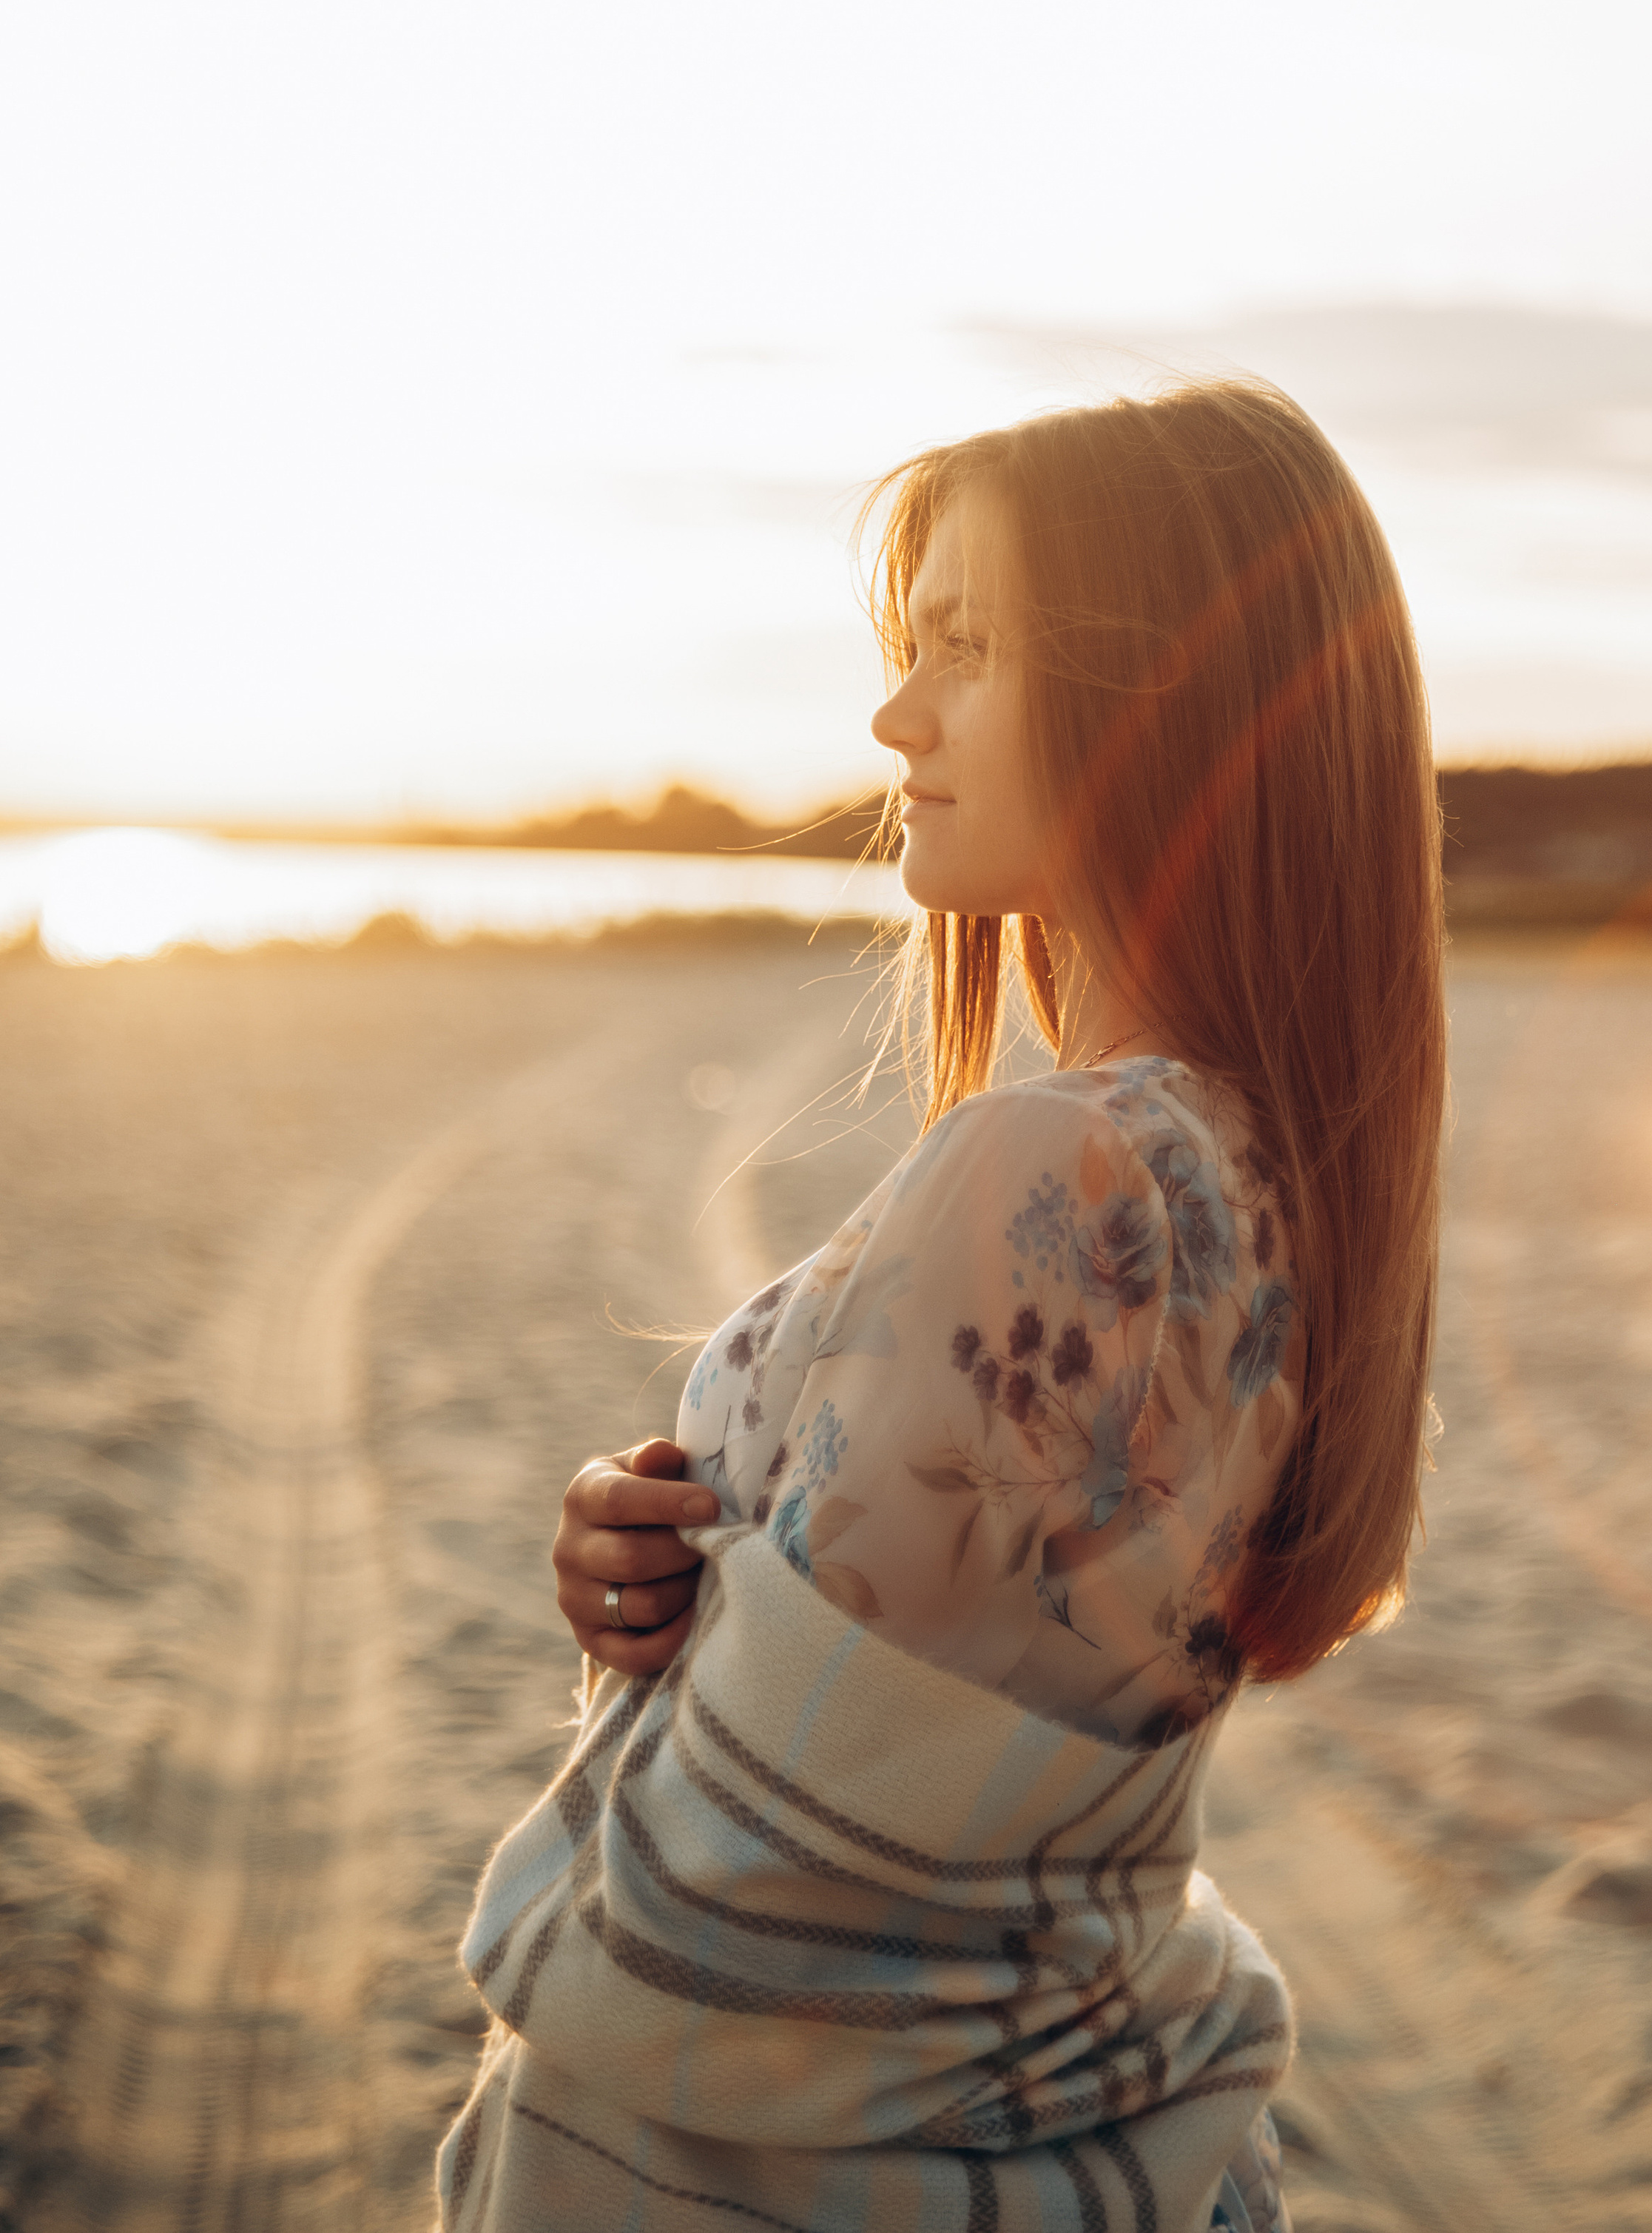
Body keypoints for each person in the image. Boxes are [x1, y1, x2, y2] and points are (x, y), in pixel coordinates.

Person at [440, 381, 1446, 2233]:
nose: (895, 715)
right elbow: (977, 1761)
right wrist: (659, 1581)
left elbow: (724, 1910)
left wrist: (658, 1672)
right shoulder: (1268, 1174)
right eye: (911, 648)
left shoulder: (1063, 1170)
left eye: (968, 648)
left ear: (1167, 699)